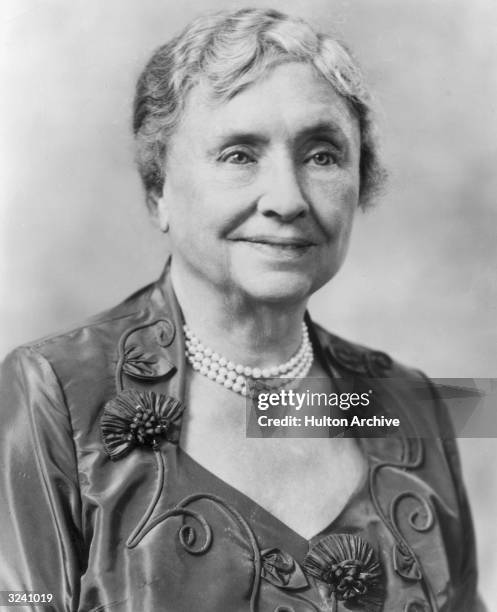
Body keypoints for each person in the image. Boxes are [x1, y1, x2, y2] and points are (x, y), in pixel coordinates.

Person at [0, 8, 486, 612]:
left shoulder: (412, 406)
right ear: (159, 192)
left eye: (323, 155)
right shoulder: (53, 394)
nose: (287, 199)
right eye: (238, 154)